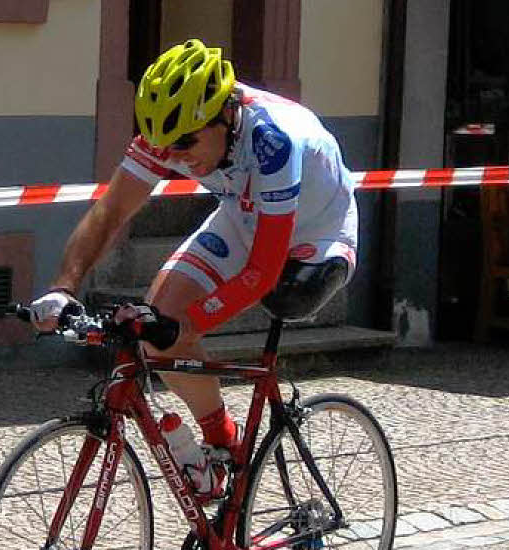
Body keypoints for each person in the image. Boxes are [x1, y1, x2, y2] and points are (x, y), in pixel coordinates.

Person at [29, 39, 358, 496]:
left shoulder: (271, 140)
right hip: (243, 217)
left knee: (270, 300)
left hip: (315, 235)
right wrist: (62, 289)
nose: (177, 154)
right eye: (167, 144)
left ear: (225, 114)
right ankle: (223, 440)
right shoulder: (171, 133)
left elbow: (261, 272)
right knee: (156, 324)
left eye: (187, 141)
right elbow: (110, 213)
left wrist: (183, 324)